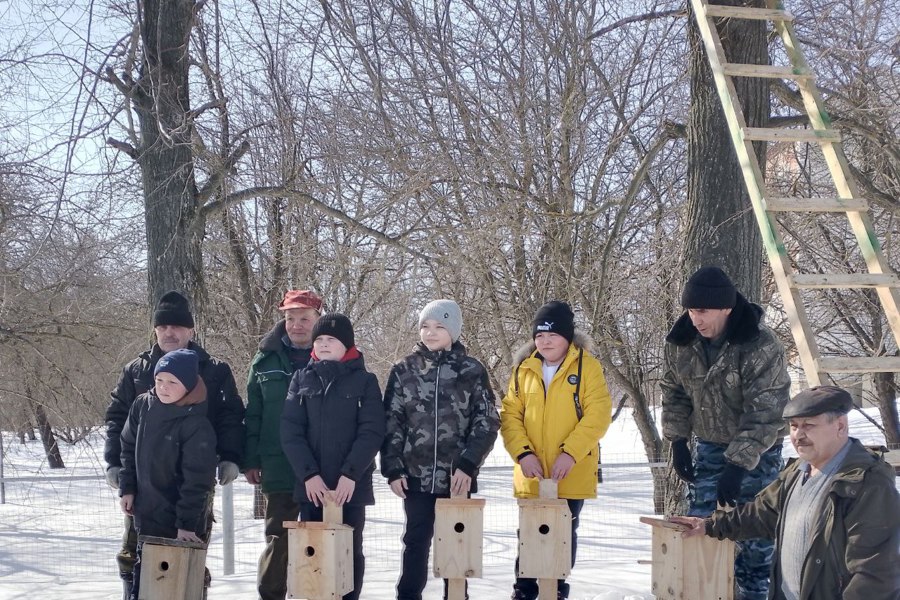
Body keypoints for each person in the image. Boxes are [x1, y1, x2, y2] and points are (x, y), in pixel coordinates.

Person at [671, 385, 900, 600]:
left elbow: (875, 573)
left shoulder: (867, 483)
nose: (798, 435)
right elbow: (761, 514)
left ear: (840, 426)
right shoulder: (796, 472)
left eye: (809, 425)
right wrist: (710, 525)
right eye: (794, 426)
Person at [103, 290, 245, 598]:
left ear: (191, 330)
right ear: (155, 329)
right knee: (136, 556)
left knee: (187, 552)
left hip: (193, 481)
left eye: (178, 326)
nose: (170, 332)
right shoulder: (137, 370)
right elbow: (118, 420)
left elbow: (231, 416)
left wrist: (231, 457)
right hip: (144, 485)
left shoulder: (215, 369)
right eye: (163, 326)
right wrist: (115, 464)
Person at [661, 266, 790, 600]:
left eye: (702, 312)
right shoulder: (680, 342)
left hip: (758, 452)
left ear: (726, 309)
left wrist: (738, 465)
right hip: (709, 444)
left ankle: (753, 594)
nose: (695, 319)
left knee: (754, 533)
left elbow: (767, 412)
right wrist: (677, 441)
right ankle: (701, 592)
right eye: (690, 311)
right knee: (698, 525)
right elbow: (673, 393)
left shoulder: (760, 345)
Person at [381, 299, 500, 600]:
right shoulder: (403, 370)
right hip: (415, 477)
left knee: (457, 543)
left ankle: (457, 596)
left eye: (439, 326)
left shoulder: (472, 370)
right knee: (416, 541)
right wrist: (393, 468)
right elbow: (390, 422)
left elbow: (486, 420)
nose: (430, 332)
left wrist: (469, 463)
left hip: (457, 477)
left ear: (454, 331)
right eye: (425, 326)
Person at [500, 300, 612, 600]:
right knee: (528, 533)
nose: (545, 341)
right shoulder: (524, 369)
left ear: (567, 336)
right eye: (539, 335)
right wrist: (523, 454)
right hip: (532, 474)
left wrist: (570, 453)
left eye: (551, 334)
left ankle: (557, 589)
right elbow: (510, 416)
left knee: (562, 534)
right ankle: (524, 590)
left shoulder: (587, 366)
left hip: (570, 473)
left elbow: (597, 415)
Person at [281, 313, 385, 600]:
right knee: (311, 553)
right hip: (313, 490)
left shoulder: (365, 381)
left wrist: (351, 474)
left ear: (347, 346)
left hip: (350, 488)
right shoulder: (300, 379)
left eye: (331, 339)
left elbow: (372, 431)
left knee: (349, 552)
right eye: (319, 339)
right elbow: (291, 432)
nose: (324, 344)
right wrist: (308, 476)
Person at [118, 349, 217, 600]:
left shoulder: (196, 424)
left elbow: (197, 479)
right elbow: (128, 446)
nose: (164, 387)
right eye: (160, 380)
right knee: (146, 584)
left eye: (173, 382)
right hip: (146, 512)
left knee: (177, 587)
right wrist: (127, 487)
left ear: (188, 385)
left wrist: (185, 524)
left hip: (179, 521)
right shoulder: (142, 405)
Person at [243, 289, 323, 600]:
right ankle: (272, 594)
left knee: (320, 539)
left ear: (318, 320)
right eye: (291, 318)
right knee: (278, 539)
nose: (297, 325)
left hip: (321, 467)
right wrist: (251, 459)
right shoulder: (264, 360)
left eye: (305, 318)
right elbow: (254, 414)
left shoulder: (332, 355)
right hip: (277, 466)